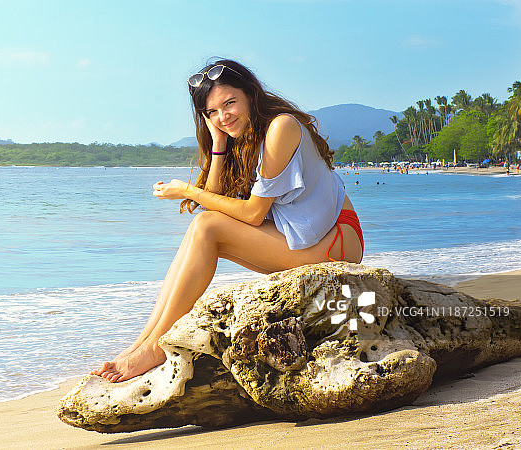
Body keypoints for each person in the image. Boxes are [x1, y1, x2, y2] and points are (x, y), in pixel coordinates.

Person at [91, 59, 364, 383]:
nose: (224, 116)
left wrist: (187, 190)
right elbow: (217, 199)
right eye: (212, 112)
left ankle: (155, 347)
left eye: (230, 103)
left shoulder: (281, 127)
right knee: (203, 227)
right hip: (307, 236)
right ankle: (145, 342)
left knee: (207, 228)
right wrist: (218, 143)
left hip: (337, 240)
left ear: (250, 94)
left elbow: (252, 213)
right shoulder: (242, 137)